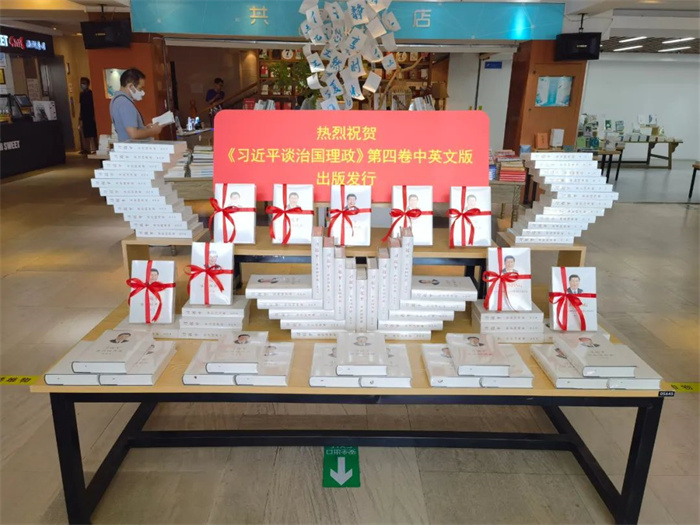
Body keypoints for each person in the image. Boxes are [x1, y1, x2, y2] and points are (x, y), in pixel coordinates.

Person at [109, 68, 163, 141]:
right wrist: (153, 131)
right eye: (140, 88)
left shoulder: (116, 100)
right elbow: (133, 134)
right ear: (131, 86)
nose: (143, 92)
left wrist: (144, 129)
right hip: (133, 146)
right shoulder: (125, 103)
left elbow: (128, 128)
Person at [79, 77, 97, 154]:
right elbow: (81, 106)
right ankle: (86, 148)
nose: (82, 85)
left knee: (92, 133)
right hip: (84, 116)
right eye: (81, 83)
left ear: (88, 84)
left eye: (84, 83)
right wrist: (80, 117)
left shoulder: (91, 93)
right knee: (85, 132)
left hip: (91, 115)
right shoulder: (81, 94)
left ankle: (94, 148)